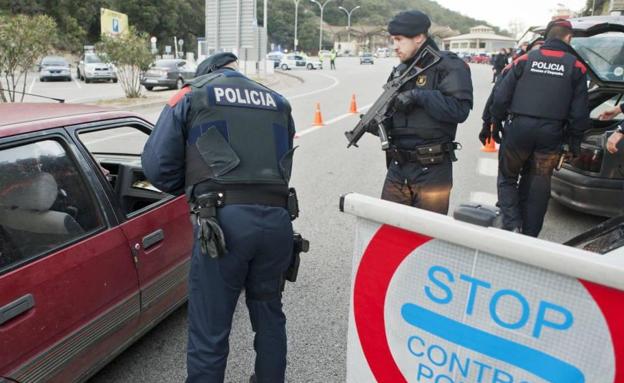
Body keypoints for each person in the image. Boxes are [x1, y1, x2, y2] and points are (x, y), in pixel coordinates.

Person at [142, 52, 297, 383]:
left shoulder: (191, 94)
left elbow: (158, 168)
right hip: (277, 219)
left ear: (206, 72)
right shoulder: (278, 101)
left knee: (209, 329)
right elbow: (282, 165)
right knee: (269, 314)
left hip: (222, 224)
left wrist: (195, 185)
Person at [489, 19, 589, 237]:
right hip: (550, 136)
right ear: (569, 38)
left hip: (518, 131)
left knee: (507, 177)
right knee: (538, 184)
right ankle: (530, 236)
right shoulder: (577, 66)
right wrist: (574, 142)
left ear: (546, 36)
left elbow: (501, 97)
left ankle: (512, 224)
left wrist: (495, 122)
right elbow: (579, 113)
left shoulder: (524, 59)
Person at [378, 10, 473, 214]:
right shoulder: (401, 70)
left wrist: (419, 96)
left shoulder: (449, 65)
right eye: (392, 40)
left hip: (432, 169)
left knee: (426, 239)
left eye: (399, 39)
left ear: (419, 37)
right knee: (388, 232)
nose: (394, 46)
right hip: (398, 167)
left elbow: (459, 110)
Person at [479, 38, 545, 146]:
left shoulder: (518, 64)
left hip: (517, 127)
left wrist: (490, 123)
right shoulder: (569, 66)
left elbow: (498, 97)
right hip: (551, 132)